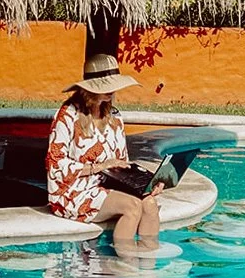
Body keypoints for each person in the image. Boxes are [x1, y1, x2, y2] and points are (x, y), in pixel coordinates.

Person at [45, 53, 163, 253]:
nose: (112, 91)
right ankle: (125, 269)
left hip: (107, 186)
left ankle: (148, 269)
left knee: (150, 204)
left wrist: (146, 182)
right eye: (106, 86)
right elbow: (55, 164)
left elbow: (122, 162)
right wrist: (99, 166)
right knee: (132, 207)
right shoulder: (68, 115)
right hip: (73, 191)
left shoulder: (114, 116)